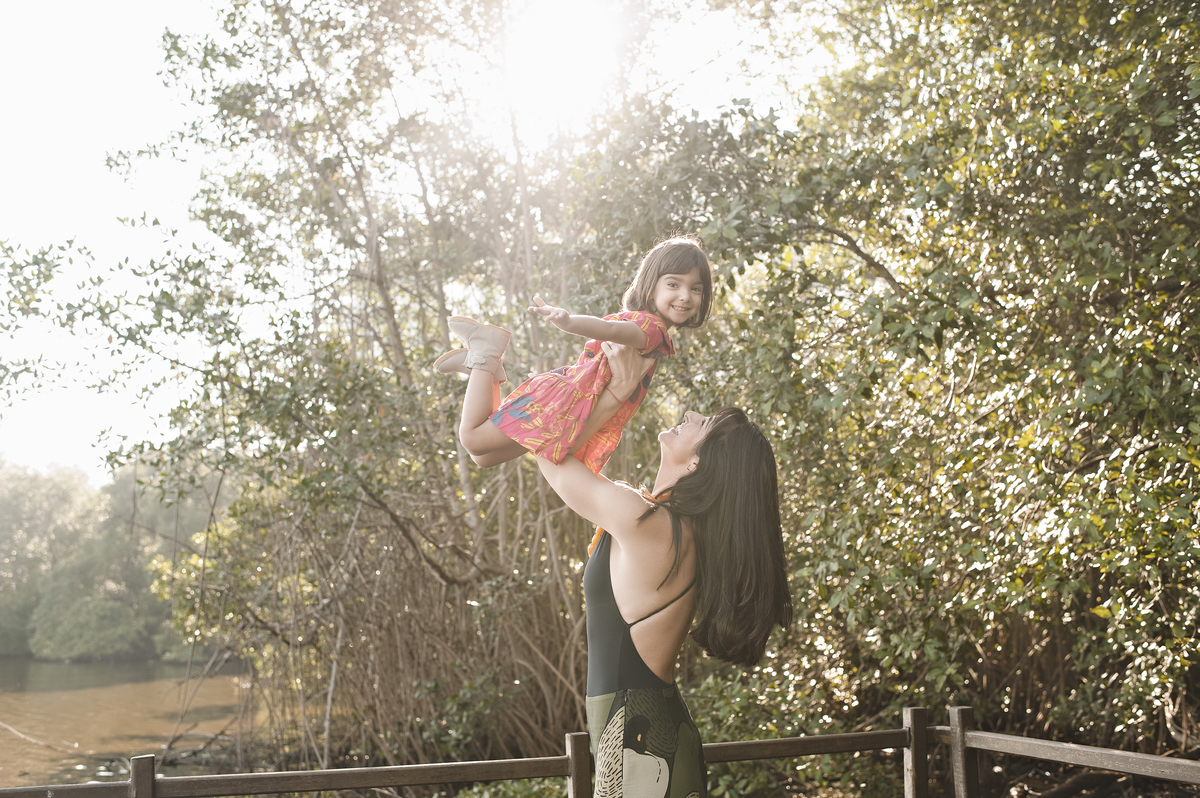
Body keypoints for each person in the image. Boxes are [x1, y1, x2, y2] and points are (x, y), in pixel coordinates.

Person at [534, 343, 794, 798]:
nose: (691, 414)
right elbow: (565, 452)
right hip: (650, 743)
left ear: (699, 463)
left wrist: (617, 392)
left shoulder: (652, 526)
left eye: (704, 424)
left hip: (643, 750)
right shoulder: (664, 524)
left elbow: (548, 451)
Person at [434, 236, 713, 472]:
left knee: (485, 458)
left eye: (695, 288)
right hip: (571, 402)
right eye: (674, 285)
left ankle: (484, 371)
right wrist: (568, 322)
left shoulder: (653, 330)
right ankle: (484, 354)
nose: (686, 296)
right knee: (473, 440)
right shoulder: (652, 329)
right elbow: (610, 330)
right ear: (651, 288)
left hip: (575, 400)